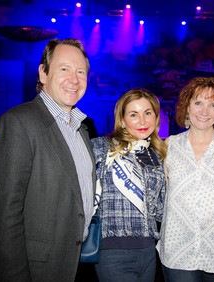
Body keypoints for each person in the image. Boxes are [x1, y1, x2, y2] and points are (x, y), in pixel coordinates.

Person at [0, 38, 96, 282]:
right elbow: (3, 215)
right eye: (64, 69)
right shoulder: (18, 122)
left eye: (81, 71)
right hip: (32, 270)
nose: (74, 79)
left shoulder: (82, 129)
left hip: (70, 264)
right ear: (43, 73)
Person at [157, 77, 214, 282]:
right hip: (178, 251)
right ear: (187, 107)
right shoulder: (169, 147)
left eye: (213, 104)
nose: (205, 111)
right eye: (198, 103)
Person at [91, 88, 167, 282]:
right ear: (122, 120)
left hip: (148, 250)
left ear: (156, 117)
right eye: (134, 114)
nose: (142, 121)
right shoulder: (100, 148)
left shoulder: (156, 154)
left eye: (148, 113)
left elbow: (160, 208)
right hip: (112, 251)